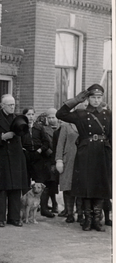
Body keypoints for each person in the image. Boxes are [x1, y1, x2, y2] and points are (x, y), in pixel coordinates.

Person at [56, 84, 112, 232]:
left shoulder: (108, 114)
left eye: (99, 97)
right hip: (85, 153)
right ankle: (87, 220)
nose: (96, 100)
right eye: (93, 97)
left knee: (100, 185)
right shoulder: (80, 114)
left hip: (102, 153)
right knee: (86, 186)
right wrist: (75, 101)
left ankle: (97, 220)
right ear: (87, 99)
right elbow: (60, 114)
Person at [0, 94, 28, 228]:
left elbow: (26, 138)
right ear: (2, 106)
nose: (12, 107)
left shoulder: (18, 119)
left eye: (13, 105)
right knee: (1, 189)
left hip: (16, 158)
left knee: (15, 188)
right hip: (0, 158)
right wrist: (1, 137)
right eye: (9, 105)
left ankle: (14, 218)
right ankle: (0, 219)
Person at [21, 109, 54, 218]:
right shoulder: (21, 128)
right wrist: (23, 150)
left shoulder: (39, 128)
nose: (30, 116)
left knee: (40, 182)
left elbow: (46, 143)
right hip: (25, 157)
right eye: (28, 114)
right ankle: (26, 208)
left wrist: (40, 150)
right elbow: (17, 142)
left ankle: (43, 208)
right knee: (25, 182)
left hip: (38, 157)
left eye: (32, 114)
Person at [55, 121, 81, 223]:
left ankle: (80, 213)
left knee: (81, 186)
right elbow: (60, 143)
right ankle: (69, 213)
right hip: (68, 159)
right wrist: (59, 159)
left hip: (83, 158)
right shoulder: (66, 126)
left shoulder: (86, 122)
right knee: (67, 186)